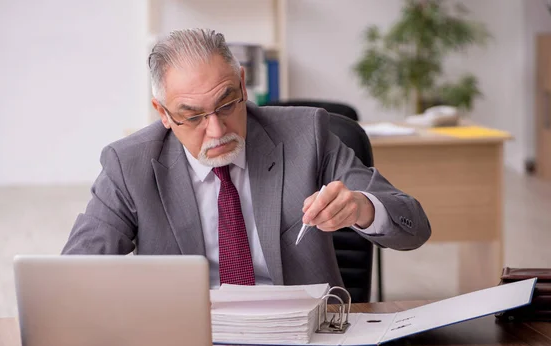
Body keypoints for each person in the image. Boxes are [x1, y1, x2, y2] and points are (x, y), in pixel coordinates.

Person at [62, 28, 431, 289]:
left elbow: (413, 224)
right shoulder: (129, 164)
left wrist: (363, 208)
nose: (216, 130)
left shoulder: (307, 135)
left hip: (302, 338)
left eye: (226, 104)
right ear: (162, 112)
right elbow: (75, 274)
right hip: (190, 336)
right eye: (192, 116)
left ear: (242, 82)